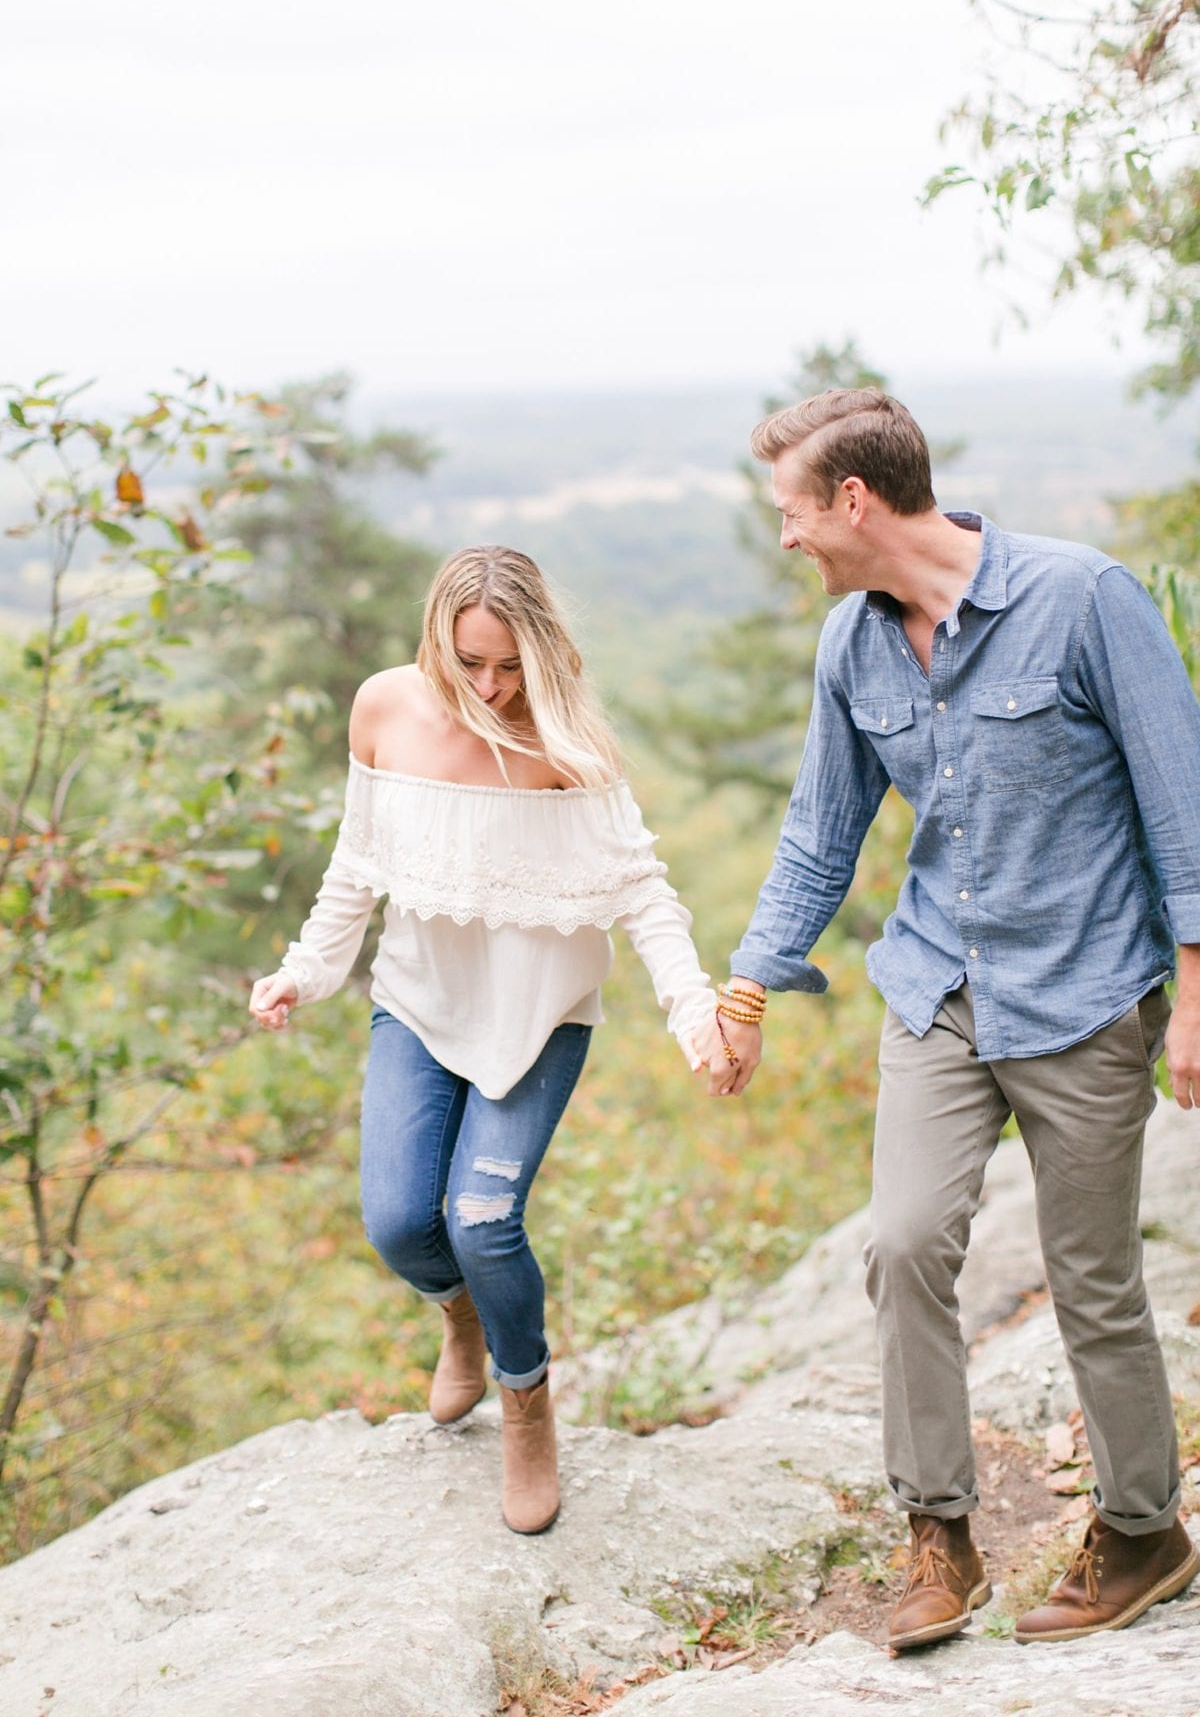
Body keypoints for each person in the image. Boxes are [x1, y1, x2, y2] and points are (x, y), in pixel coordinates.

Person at [716, 387, 1200, 1649]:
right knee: (903, 1241)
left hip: (1089, 991)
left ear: (856, 502)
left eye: (792, 514)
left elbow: (1185, 813)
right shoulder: (853, 648)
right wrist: (751, 989)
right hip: (939, 984)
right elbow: (819, 838)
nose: (786, 540)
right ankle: (940, 1539)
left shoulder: (1082, 599)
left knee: (1092, 1282)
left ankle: (1146, 1533)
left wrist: (1195, 1002)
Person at [249, 545, 728, 1534]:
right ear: (436, 641)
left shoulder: (570, 747)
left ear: (542, 652)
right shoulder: (384, 709)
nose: (492, 686)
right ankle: (461, 1318)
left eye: (511, 665)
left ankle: (527, 1410)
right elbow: (355, 862)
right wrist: (304, 971)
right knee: (398, 1226)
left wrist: (694, 1011)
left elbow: (643, 890)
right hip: (419, 1004)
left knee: (481, 1220)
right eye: (471, 663)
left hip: (538, 1016)